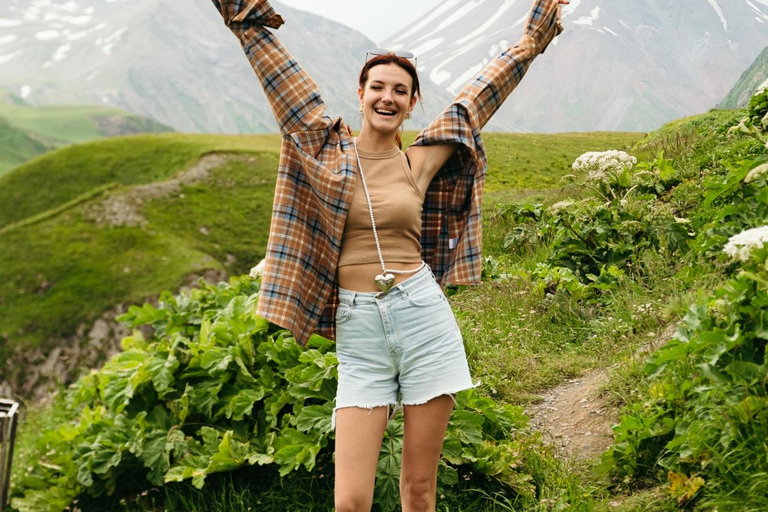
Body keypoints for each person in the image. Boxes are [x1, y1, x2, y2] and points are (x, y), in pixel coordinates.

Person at [211, 1, 566, 510]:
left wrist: (527, 47)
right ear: (360, 95)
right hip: (360, 333)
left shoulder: (418, 162)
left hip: (423, 317)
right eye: (377, 86)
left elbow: (472, 106)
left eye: (400, 90)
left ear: (412, 102)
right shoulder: (326, 153)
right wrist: (243, 21)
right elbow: (285, 87)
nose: (387, 96)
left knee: (418, 491)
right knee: (350, 501)